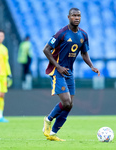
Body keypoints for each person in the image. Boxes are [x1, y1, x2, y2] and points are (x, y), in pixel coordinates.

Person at [42, 8, 100, 141]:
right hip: (57, 71)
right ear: (68, 17)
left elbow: (84, 53)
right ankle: (48, 119)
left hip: (69, 72)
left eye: (78, 15)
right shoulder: (61, 33)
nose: (76, 18)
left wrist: (92, 66)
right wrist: (58, 66)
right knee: (66, 101)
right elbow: (46, 49)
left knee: (69, 105)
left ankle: (52, 134)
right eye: (74, 15)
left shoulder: (83, 35)